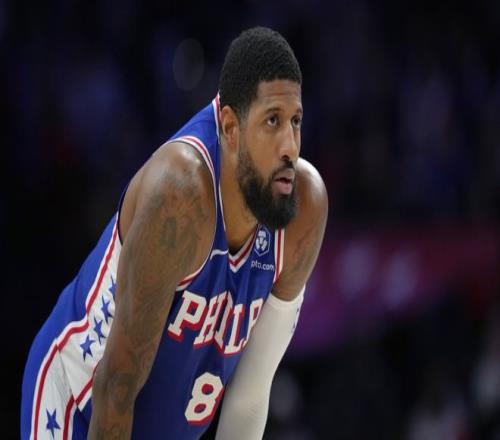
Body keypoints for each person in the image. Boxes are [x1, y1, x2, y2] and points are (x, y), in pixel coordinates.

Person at [21, 26, 328, 439]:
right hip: (79, 404)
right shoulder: (180, 195)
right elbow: (115, 390)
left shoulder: (303, 205)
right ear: (230, 126)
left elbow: (249, 397)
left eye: (296, 121)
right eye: (272, 121)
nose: (290, 145)